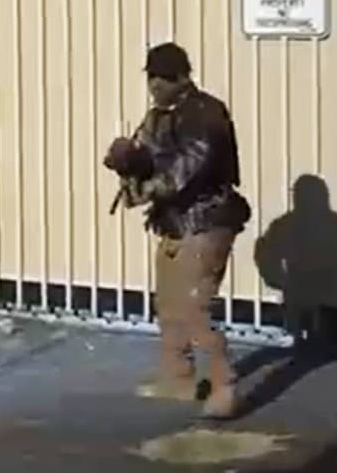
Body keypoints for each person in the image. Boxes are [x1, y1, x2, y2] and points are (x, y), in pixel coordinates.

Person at [103, 42, 251, 419]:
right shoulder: (158, 116)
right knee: (169, 305)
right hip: (172, 222)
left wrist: (146, 185)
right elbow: (145, 153)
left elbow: (188, 171)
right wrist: (127, 160)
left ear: (184, 76)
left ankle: (223, 385)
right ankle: (179, 378)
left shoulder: (206, 112)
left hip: (206, 221)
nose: (155, 84)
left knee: (193, 308)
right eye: (151, 76)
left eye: (164, 77)